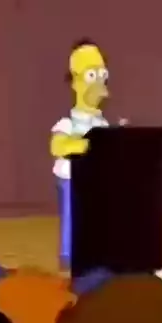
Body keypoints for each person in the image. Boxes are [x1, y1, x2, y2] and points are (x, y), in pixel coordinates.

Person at [50, 39, 126, 269]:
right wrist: (87, 144)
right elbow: (58, 146)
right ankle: (69, 255)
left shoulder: (101, 123)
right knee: (72, 217)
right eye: (92, 75)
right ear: (76, 81)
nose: (99, 83)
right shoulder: (68, 123)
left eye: (102, 75)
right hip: (72, 180)